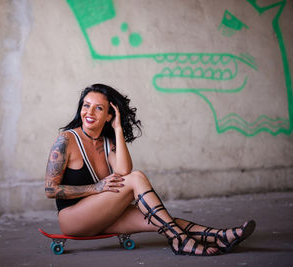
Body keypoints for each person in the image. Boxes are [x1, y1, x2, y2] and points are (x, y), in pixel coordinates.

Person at [44, 83, 255, 256]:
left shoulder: (107, 142)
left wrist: (118, 129)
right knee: (137, 179)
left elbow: (124, 171)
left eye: (98, 108)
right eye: (86, 105)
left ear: (109, 115)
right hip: (73, 219)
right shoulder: (66, 140)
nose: (89, 112)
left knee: (159, 219)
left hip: (101, 216)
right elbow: (50, 190)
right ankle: (179, 240)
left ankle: (220, 235)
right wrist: (97, 188)